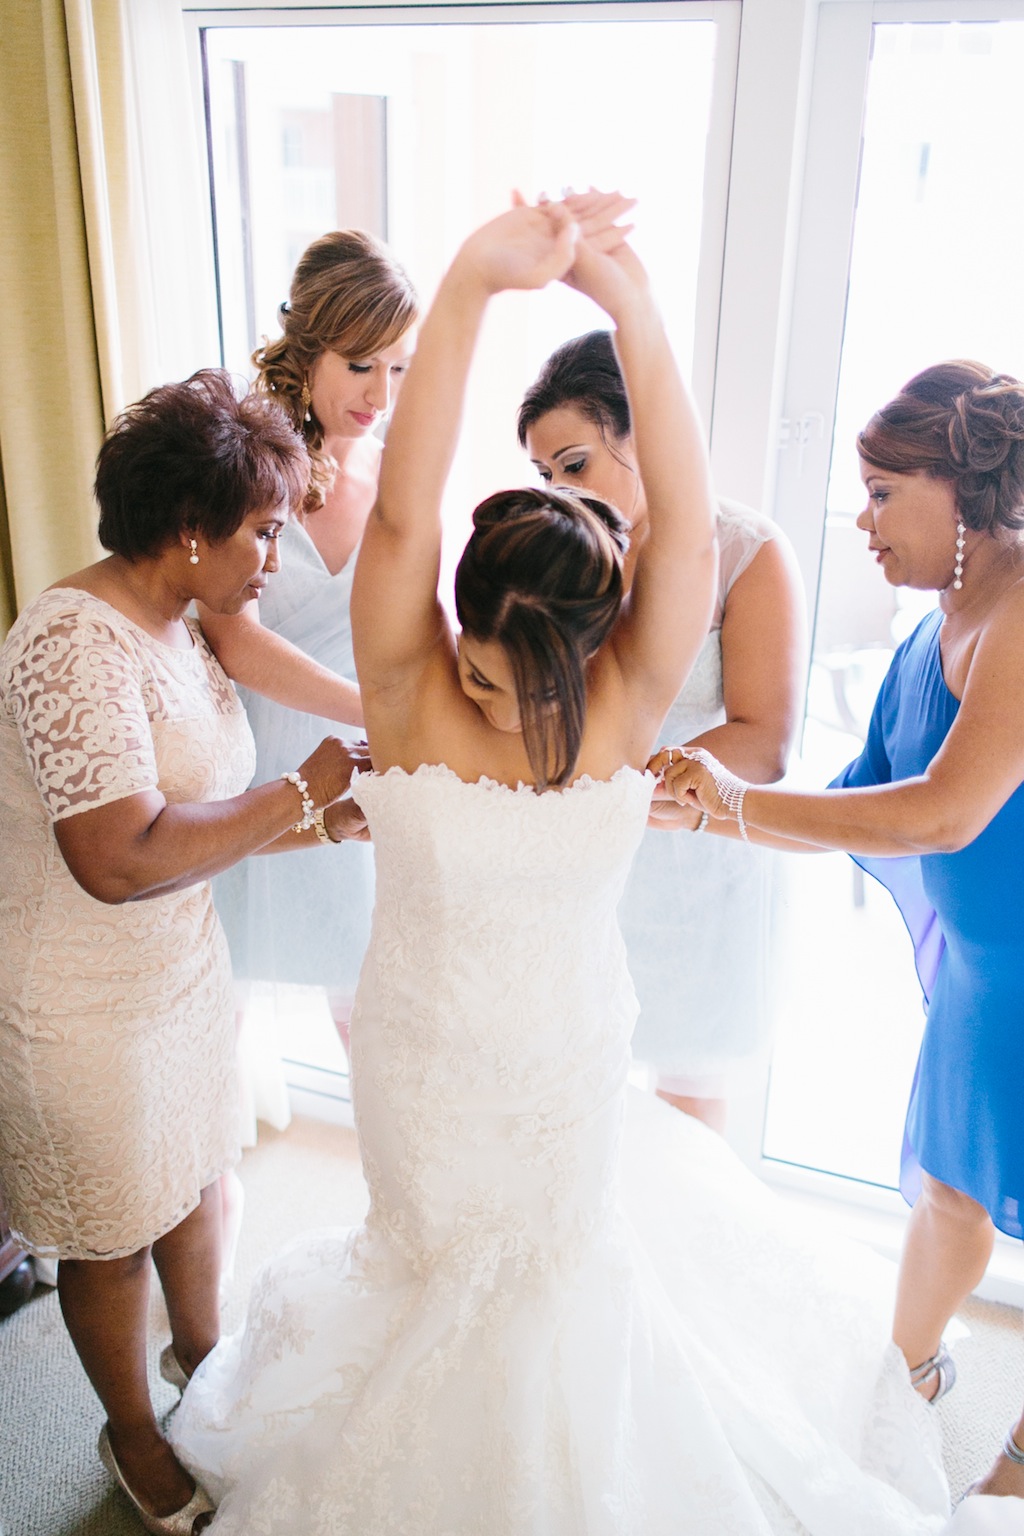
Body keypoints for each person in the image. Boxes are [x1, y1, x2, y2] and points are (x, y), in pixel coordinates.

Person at [170, 198, 956, 1535]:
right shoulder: (623, 713)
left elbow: (424, 523)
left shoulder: (411, 693)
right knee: (451, 1268)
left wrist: (497, 286)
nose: (488, 686)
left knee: (531, 1286)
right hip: (460, 1066)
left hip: (512, 1069)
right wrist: (604, 301)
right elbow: (678, 536)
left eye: (500, 664)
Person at [0, 369, 367, 1536]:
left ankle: (201, 1360)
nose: (276, 556)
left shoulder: (183, 624)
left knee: (201, 1171)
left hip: (179, 967)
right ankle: (131, 1429)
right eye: (266, 530)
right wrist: (293, 794)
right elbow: (117, 856)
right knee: (111, 1232)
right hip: (77, 993)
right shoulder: (72, 642)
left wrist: (316, 814)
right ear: (191, 529)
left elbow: (195, 813)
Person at [656, 360, 1024, 1508]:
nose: (860, 523)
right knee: (957, 1188)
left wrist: (737, 806)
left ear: (957, 492)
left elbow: (940, 811)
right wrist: (709, 804)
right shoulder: (934, 626)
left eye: (879, 493)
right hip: (984, 973)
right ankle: (906, 1368)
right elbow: (856, 792)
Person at [518, 330, 805, 1131]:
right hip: (582, 861)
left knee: (685, 1120)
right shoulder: (570, 555)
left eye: (575, 464)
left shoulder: (748, 551)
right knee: (574, 1091)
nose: (563, 491)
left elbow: (764, 739)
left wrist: (615, 789)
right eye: (544, 475)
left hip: (696, 865)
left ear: (641, 427)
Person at [203, 231, 418, 1075]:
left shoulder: (399, 477)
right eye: (362, 363)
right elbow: (233, 636)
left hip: (356, 765)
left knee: (372, 1018)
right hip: (246, 753)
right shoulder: (242, 462)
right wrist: (372, 713)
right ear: (310, 346)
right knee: (218, 1010)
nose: (381, 393)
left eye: (398, 369)